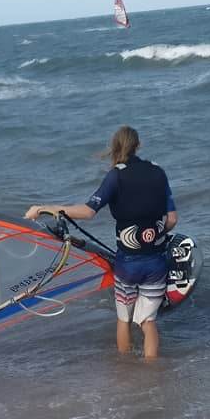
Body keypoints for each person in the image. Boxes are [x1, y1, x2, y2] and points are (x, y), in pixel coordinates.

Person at [25, 126, 178, 359]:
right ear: (139, 145)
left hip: (127, 264)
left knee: (124, 319)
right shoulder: (158, 172)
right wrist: (155, 235)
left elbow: (87, 212)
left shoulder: (116, 176)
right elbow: (172, 219)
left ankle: (125, 369)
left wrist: (44, 208)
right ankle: (152, 372)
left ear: (114, 147)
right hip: (155, 262)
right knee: (147, 321)